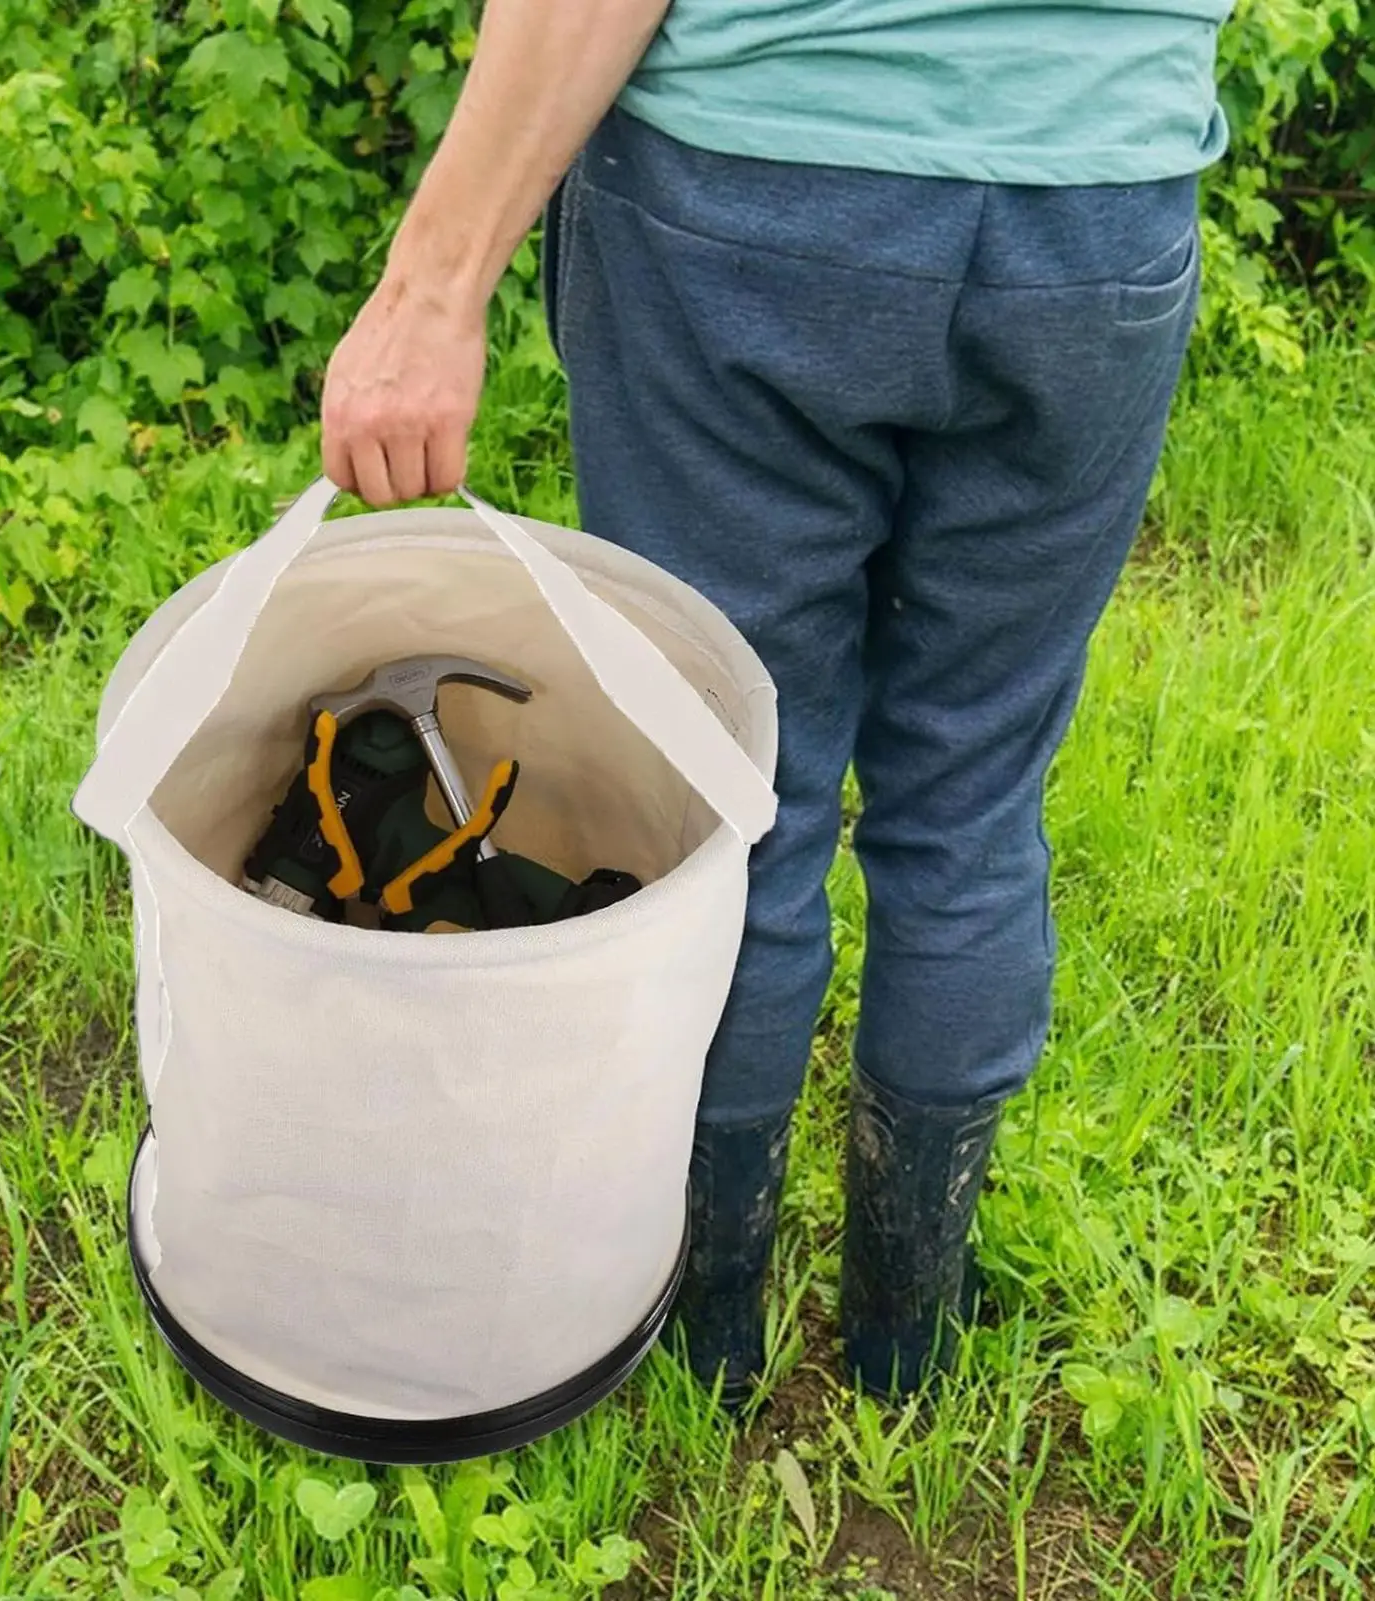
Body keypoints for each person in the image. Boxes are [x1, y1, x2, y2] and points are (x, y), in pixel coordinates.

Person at [320, 0, 1231, 1409]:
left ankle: (705, 1328)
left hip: (754, 191)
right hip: (1096, 210)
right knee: (974, 799)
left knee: (733, 798)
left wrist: (432, 288)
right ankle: (907, 1337)